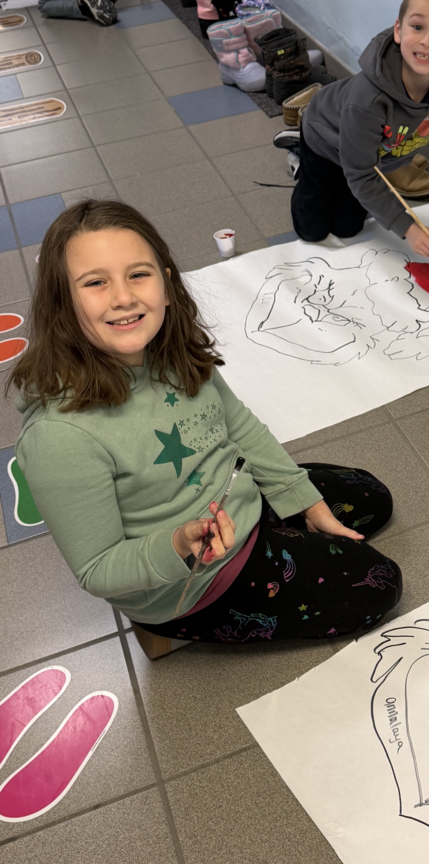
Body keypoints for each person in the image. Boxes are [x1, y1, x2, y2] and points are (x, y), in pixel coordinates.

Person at [7, 200, 402, 659]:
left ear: (167, 285)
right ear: (61, 303)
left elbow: (240, 428)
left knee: (373, 497)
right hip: (196, 578)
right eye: (95, 283)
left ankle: (282, 531)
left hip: (240, 502)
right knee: (381, 583)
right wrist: (177, 545)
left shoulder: (168, 348)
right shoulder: (59, 437)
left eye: (138, 274)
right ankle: (184, 622)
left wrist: (302, 499)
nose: (123, 297)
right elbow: (97, 569)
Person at [278, 0, 429, 263]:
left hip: (370, 158)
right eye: (417, 27)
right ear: (398, 30)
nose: (427, 41)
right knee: (312, 231)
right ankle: (301, 158)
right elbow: (360, 175)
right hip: (325, 138)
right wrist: (409, 229)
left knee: (348, 228)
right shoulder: (367, 99)